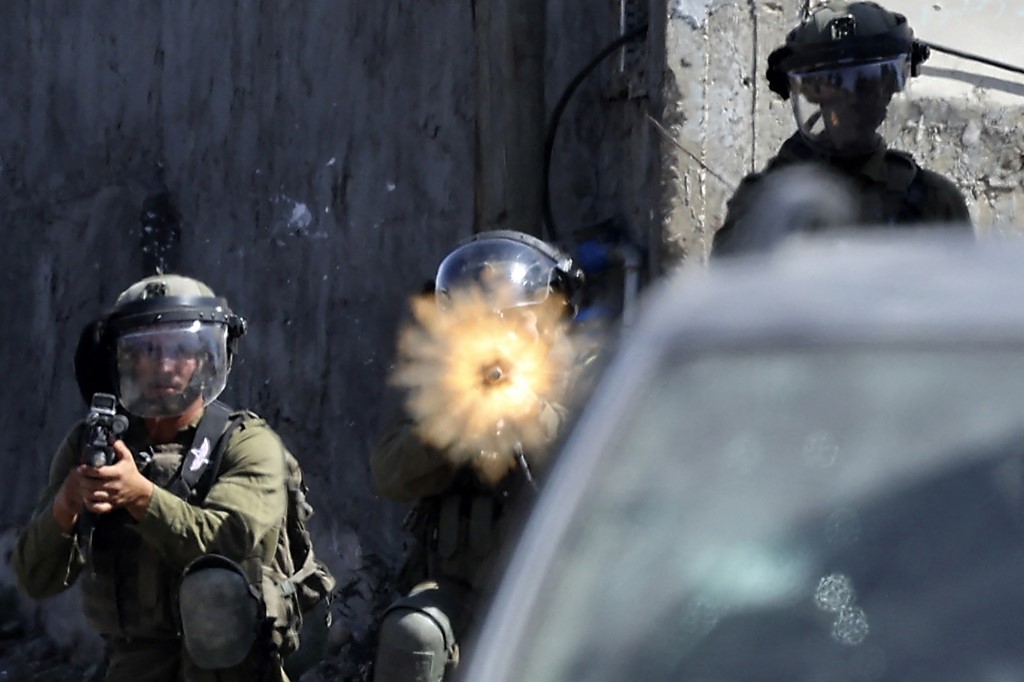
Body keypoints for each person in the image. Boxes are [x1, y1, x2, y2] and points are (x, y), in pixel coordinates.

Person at [11, 274, 295, 682]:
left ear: (204, 359)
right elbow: (35, 579)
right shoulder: (93, 445)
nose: (164, 365)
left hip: (236, 670)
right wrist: (70, 501)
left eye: (181, 349)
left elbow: (229, 542)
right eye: (146, 349)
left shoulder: (246, 444)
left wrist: (140, 496)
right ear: (123, 360)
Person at [370, 230, 585, 682]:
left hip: (559, 593)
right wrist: (455, 419)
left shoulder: (584, 372)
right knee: (413, 634)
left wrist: (531, 411)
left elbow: (599, 461)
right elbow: (389, 475)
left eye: (516, 317)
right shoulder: (449, 383)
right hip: (459, 591)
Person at [711, 0, 972, 258]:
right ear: (814, 94)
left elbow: (962, 294)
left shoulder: (932, 202)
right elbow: (733, 294)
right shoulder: (764, 204)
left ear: (890, 91)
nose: (857, 101)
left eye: (871, 84)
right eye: (840, 86)